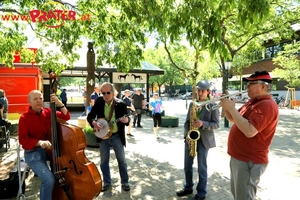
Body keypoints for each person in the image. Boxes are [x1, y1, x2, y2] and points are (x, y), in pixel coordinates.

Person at [220, 71, 279, 200]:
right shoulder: (253, 102)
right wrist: (227, 107)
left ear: (264, 86)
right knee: (239, 195)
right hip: (239, 158)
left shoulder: (267, 105)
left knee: (244, 197)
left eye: (251, 84)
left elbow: (250, 131)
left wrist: (231, 109)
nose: (247, 87)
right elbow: (234, 120)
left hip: (249, 160)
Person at [18, 90, 70, 200]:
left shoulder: (48, 112)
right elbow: (23, 140)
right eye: (35, 99)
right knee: (49, 179)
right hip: (33, 152)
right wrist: (39, 142)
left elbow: (66, 116)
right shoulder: (24, 118)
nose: (38, 101)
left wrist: (60, 103)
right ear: (29, 101)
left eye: (40, 98)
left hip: (49, 150)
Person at [176, 80, 220, 200]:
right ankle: (188, 187)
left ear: (208, 91)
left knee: (202, 168)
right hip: (191, 138)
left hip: (204, 140)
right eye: (198, 90)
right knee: (187, 166)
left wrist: (202, 123)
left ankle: (201, 193)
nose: (199, 93)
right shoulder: (192, 104)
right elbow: (186, 122)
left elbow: (216, 124)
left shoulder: (212, 105)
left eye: (202, 91)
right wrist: (186, 136)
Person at [87, 82, 131, 192]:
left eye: (108, 92)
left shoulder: (121, 104)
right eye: (103, 93)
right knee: (103, 161)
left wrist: (127, 120)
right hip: (103, 136)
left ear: (113, 92)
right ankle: (107, 182)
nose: (106, 95)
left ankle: (125, 182)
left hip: (116, 135)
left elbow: (127, 119)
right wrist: (94, 123)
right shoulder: (99, 101)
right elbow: (90, 116)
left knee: (122, 160)